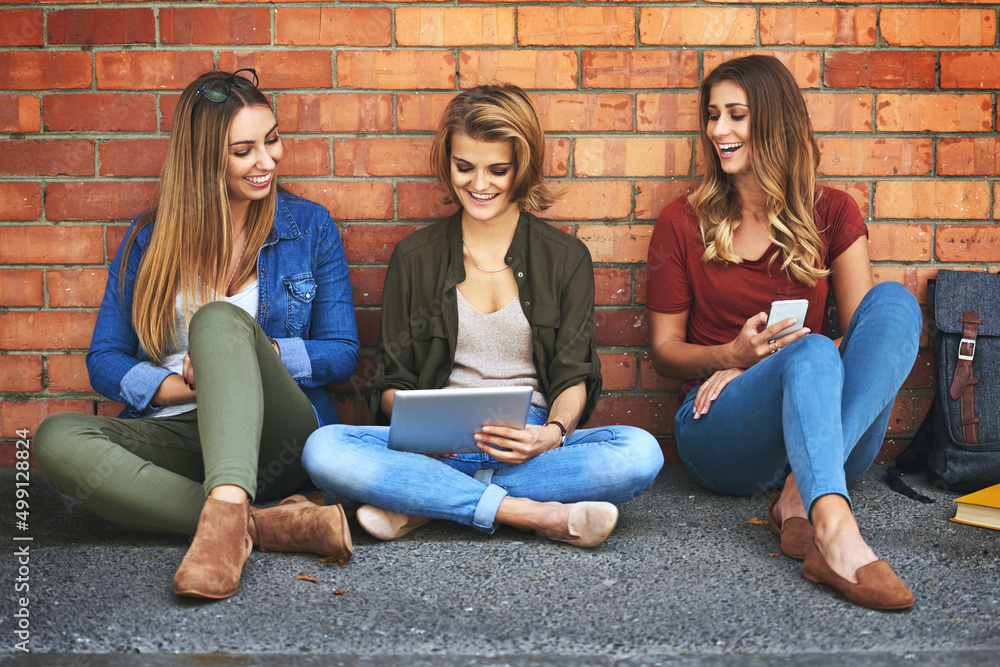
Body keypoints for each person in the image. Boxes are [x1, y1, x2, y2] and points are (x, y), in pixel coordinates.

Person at [34, 69, 360, 599]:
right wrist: (185, 387)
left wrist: (257, 355)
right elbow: (105, 359)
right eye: (244, 150)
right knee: (57, 440)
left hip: (272, 436)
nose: (268, 160)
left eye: (272, 140)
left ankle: (229, 511)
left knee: (218, 319)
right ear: (205, 157)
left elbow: (343, 353)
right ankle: (260, 524)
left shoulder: (309, 226)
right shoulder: (149, 239)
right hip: (180, 429)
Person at [302, 84, 663, 548]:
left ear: (523, 167)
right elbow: (388, 384)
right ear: (447, 161)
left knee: (638, 454)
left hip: (529, 449)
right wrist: (427, 431)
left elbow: (574, 375)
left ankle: (422, 506)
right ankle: (528, 513)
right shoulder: (415, 257)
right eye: (464, 167)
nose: (478, 184)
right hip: (436, 452)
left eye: (498, 170)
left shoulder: (565, 257)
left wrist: (550, 436)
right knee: (324, 450)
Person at [645, 56, 921, 610]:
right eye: (713, 115)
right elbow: (664, 352)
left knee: (892, 303)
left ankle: (801, 495)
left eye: (736, 116)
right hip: (720, 428)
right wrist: (736, 356)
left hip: (824, 428)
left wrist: (791, 355)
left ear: (774, 122)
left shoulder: (832, 213)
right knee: (814, 349)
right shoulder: (682, 222)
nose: (718, 130)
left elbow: (867, 338)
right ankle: (838, 535)